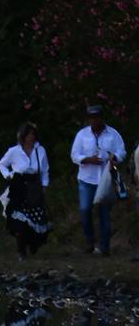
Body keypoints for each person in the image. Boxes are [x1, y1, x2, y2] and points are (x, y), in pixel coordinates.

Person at [70, 104, 126, 255]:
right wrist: (87, 159)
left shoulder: (113, 134)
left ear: (102, 118)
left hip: (105, 179)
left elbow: (122, 151)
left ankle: (105, 247)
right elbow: (74, 155)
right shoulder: (82, 135)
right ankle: (90, 240)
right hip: (87, 179)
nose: (94, 121)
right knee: (84, 209)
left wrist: (115, 157)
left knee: (104, 214)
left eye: (97, 118)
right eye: (91, 118)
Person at [0, 123, 51, 260]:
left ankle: (33, 244)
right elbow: (2, 164)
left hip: (34, 186)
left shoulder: (40, 150)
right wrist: (8, 175)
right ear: (23, 136)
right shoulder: (14, 151)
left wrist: (44, 185)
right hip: (19, 186)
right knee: (19, 219)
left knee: (37, 218)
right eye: (28, 135)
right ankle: (21, 251)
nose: (31, 137)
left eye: (33, 134)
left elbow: (44, 170)